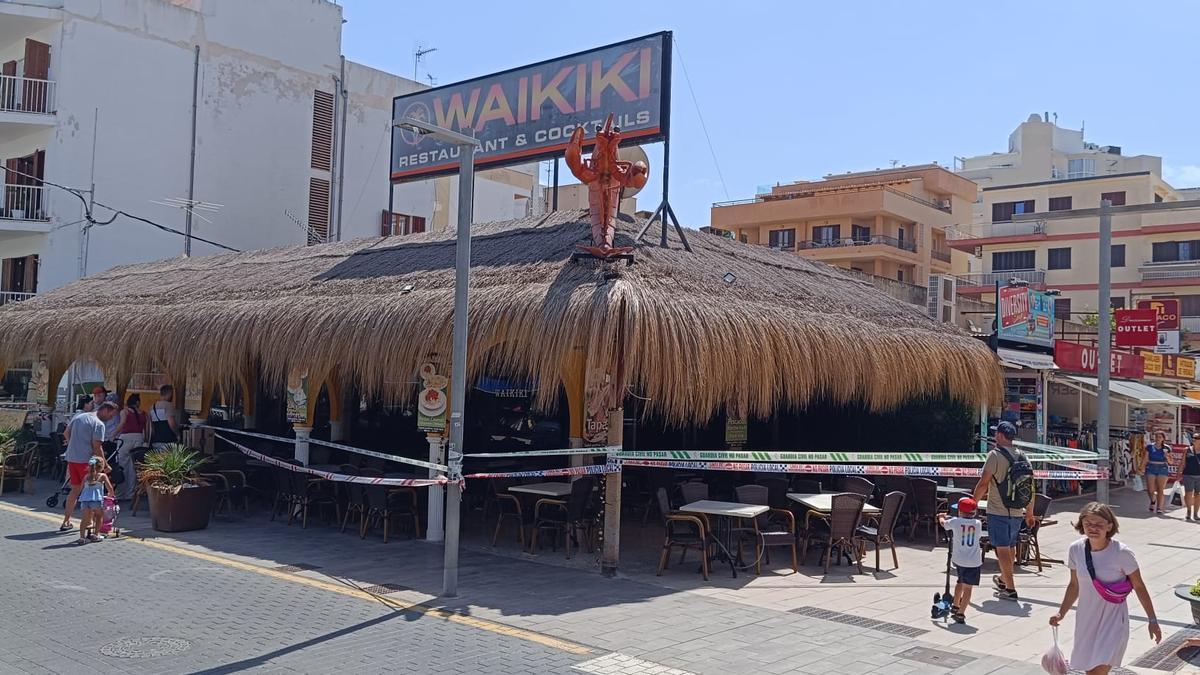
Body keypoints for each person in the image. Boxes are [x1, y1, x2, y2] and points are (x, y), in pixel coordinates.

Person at [1050, 503, 1161, 674]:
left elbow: (1139, 586)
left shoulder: (1122, 553)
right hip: (1086, 619)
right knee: (1090, 671)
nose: (1093, 528)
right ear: (1081, 524)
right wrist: (1061, 613)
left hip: (1113, 621)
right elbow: (1074, 585)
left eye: (1099, 524)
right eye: (1088, 524)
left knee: (1097, 672)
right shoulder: (1076, 549)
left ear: (1109, 526)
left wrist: (1152, 620)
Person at [973, 420, 1036, 601]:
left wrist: (972, 505)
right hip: (1017, 511)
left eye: (995, 434)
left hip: (998, 510)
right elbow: (1030, 488)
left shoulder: (994, 455)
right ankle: (1003, 579)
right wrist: (1029, 513)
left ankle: (1010, 588)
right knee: (1009, 547)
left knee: (1001, 549)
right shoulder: (1024, 456)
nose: (994, 437)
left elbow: (983, 484)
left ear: (1000, 436)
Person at [59, 402, 118, 532]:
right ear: (106, 410)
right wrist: (105, 465)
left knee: (74, 491)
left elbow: (66, 433)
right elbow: (97, 447)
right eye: (111, 415)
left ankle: (66, 521)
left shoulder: (79, 416)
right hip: (87, 462)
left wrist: (74, 446)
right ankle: (88, 522)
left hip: (72, 458)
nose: (111, 418)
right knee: (90, 493)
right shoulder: (99, 424)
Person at [938, 497, 983, 624]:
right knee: (968, 588)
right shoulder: (978, 524)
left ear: (960, 511)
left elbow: (944, 524)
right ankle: (961, 612)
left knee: (960, 582)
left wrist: (941, 517)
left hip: (959, 560)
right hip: (974, 562)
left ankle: (956, 605)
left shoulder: (955, 522)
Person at [111, 393, 148, 501]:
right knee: (133, 467)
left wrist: (113, 434)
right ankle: (131, 493)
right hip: (139, 438)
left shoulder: (125, 411)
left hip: (125, 438)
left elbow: (122, 423)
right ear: (137, 402)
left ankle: (120, 493)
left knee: (122, 465)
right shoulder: (143, 413)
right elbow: (146, 429)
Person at [75, 456, 113, 544]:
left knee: (84, 519)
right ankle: (96, 534)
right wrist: (110, 495)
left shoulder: (86, 477)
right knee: (99, 516)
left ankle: (82, 537)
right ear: (101, 467)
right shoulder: (102, 476)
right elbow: (110, 488)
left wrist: (79, 497)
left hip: (85, 500)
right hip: (96, 500)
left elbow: (81, 488)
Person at [1145, 431, 1171, 515]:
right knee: (1150, 489)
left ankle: (1159, 507)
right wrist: (1141, 467)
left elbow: (1171, 461)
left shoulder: (1167, 448)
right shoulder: (1149, 446)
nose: (1158, 438)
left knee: (1160, 489)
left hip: (1162, 468)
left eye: (1160, 437)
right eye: (1156, 436)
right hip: (1151, 467)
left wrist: (1167, 456)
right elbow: (1146, 458)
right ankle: (1153, 500)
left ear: (1163, 438)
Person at [149, 384, 179, 450]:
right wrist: (178, 434)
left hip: (156, 441)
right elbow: (172, 423)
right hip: (168, 440)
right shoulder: (168, 405)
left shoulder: (152, 407)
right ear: (169, 393)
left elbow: (152, 428)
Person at [1183, 434, 1200, 522]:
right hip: (1188, 475)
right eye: (1193, 438)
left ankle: (1196, 514)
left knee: (1198, 495)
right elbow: (1183, 463)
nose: (1194, 439)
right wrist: (1178, 474)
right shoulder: (1187, 450)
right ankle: (1189, 511)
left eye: (1196, 438)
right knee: (1188, 494)